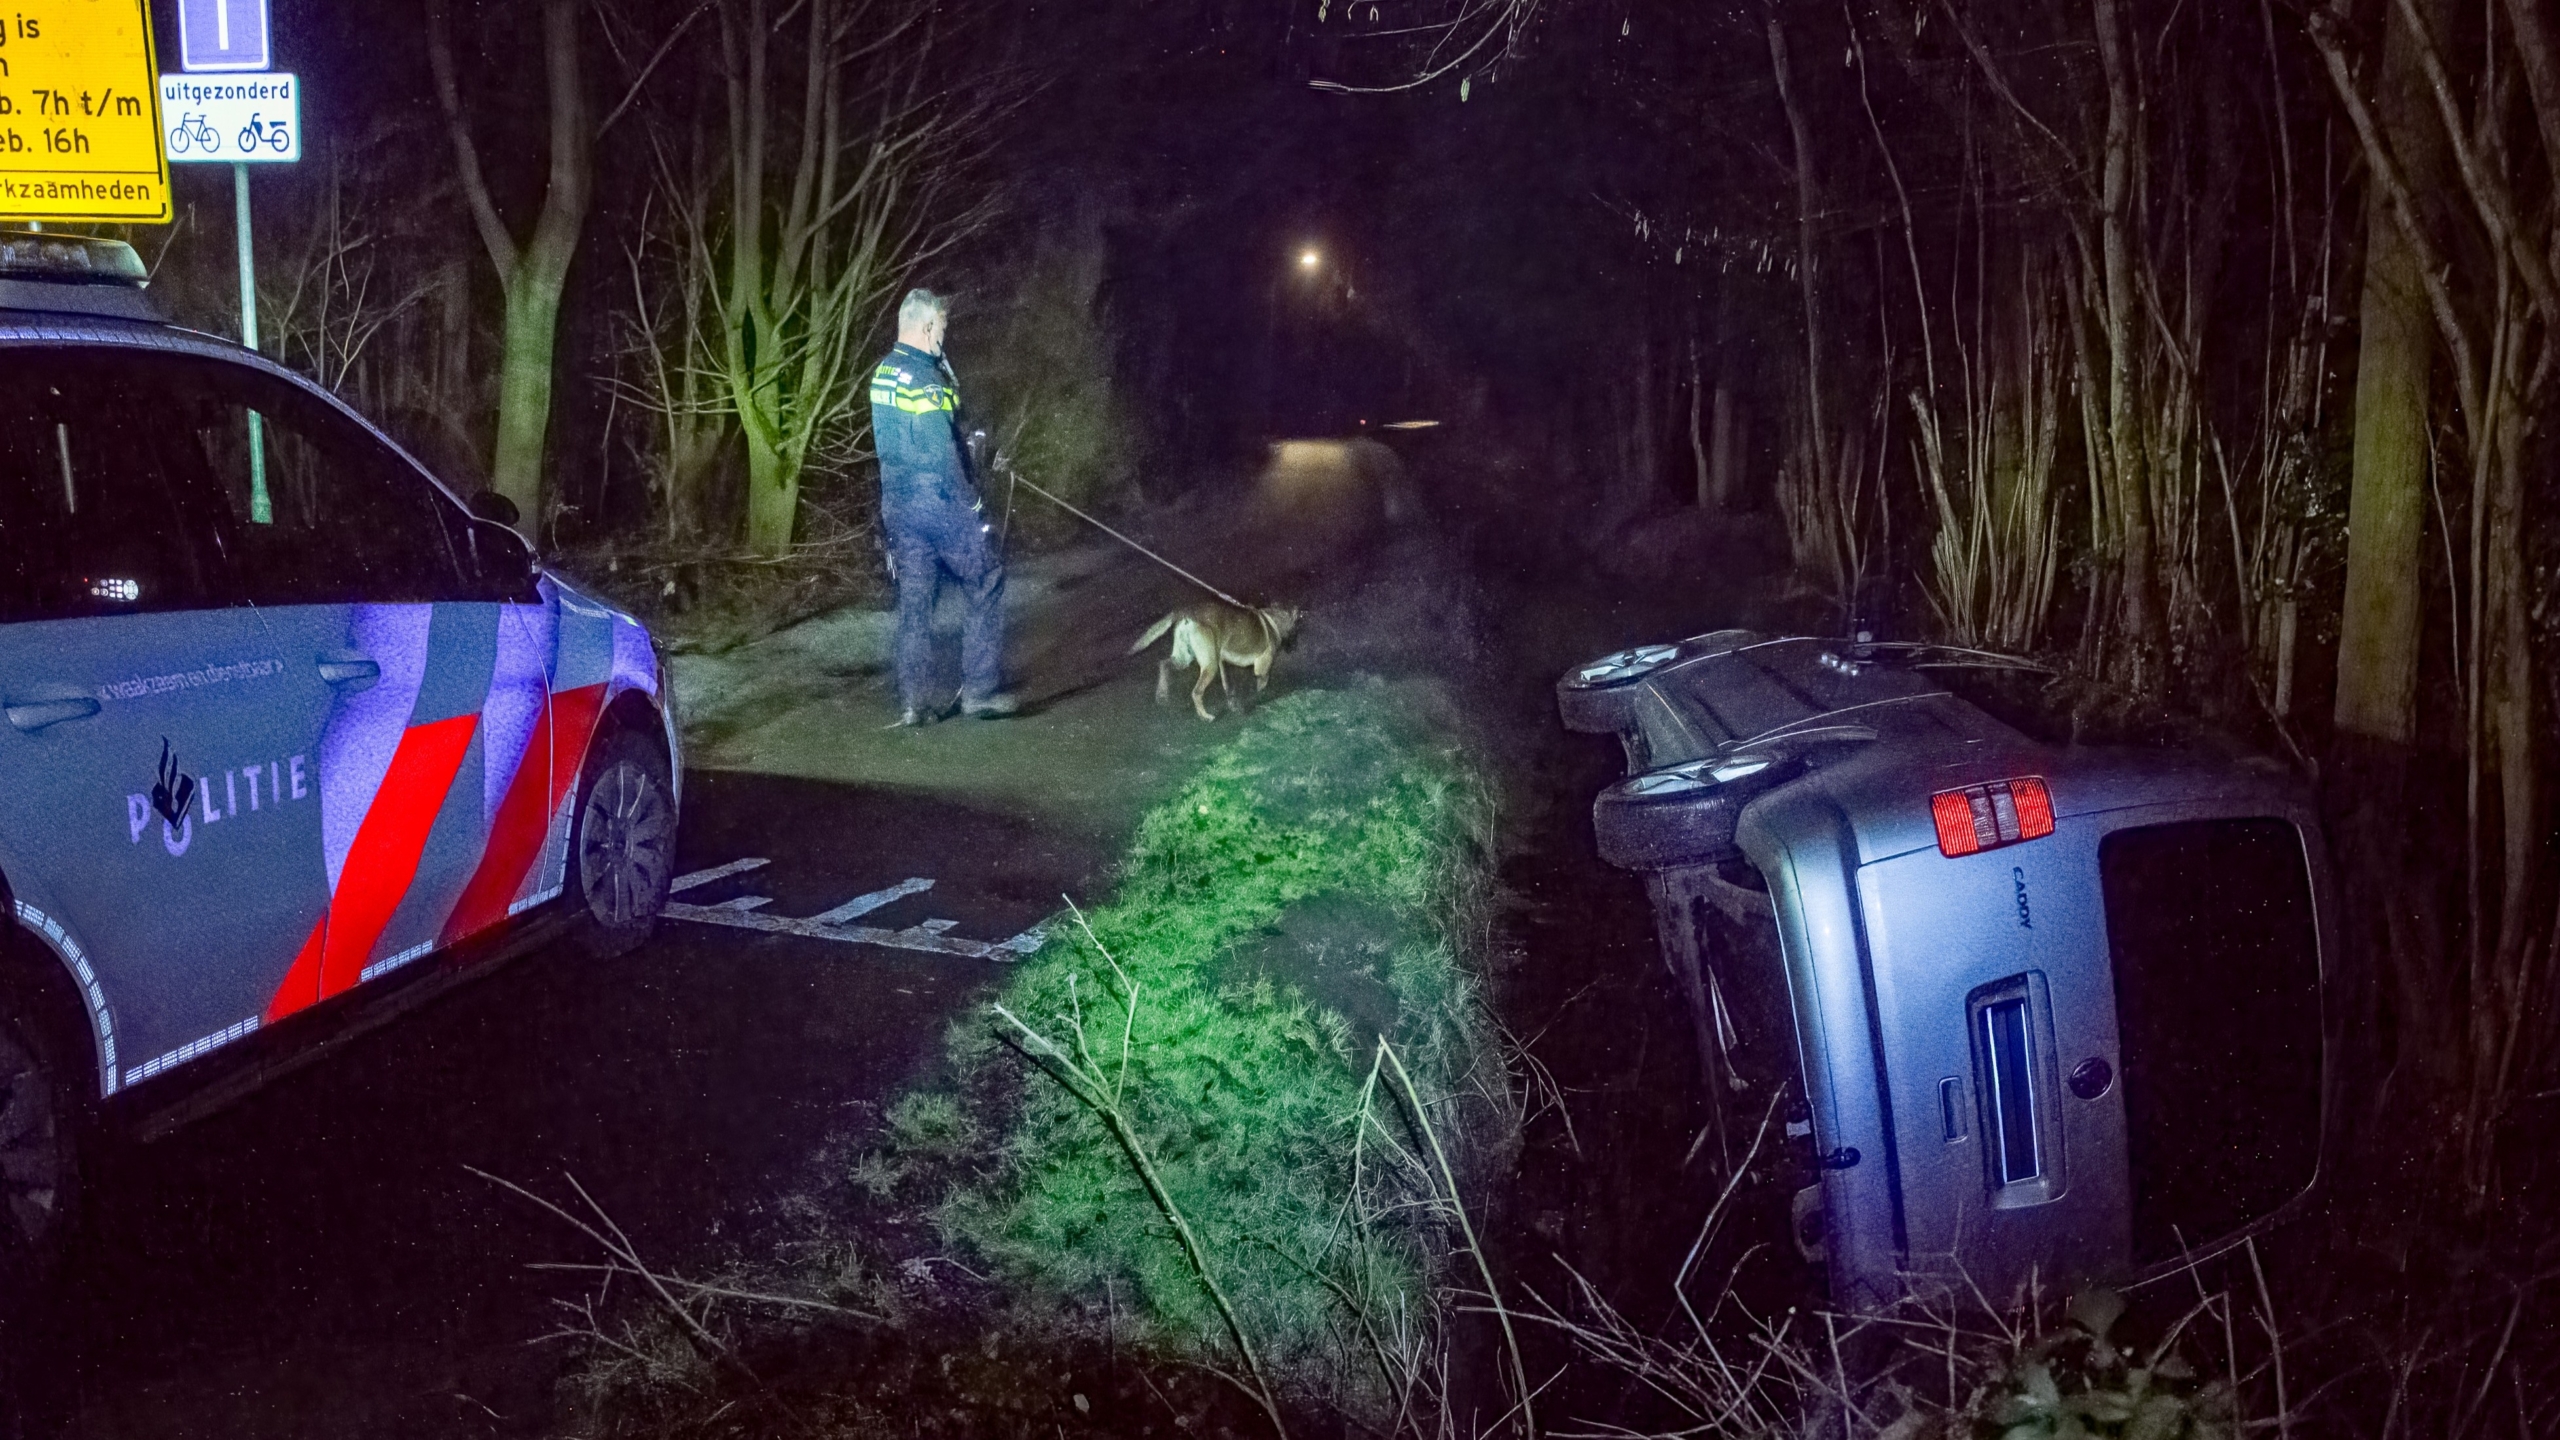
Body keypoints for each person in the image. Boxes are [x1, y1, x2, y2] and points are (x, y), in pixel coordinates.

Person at [869, 288, 1016, 724]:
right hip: (939, 498)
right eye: (943, 328)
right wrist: (971, 504)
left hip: (897, 503)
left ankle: (914, 704)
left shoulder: (883, 374)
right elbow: (940, 450)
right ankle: (980, 692)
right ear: (928, 326)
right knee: (986, 578)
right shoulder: (927, 380)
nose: (945, 337)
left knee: (915, 603)